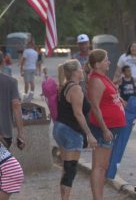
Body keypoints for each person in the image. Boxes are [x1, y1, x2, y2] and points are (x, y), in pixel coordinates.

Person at [53, 59, 97, 200]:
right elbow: (78, 113)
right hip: (71, 130)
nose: (83, 71)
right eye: (81, 69)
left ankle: (64, 198)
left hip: (60, 127)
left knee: (67, 168)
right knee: (70, 168)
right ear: (75, 72)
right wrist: (89, 134)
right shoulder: (76, 88)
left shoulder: (65, 85)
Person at [86, 49, 125, 200]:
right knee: (99, 166)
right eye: (106, 60)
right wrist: (104, 128)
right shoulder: (96, 80)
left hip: (112, 127)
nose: (109, 62)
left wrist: (119, 100)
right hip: (104, 128)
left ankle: (99, 196)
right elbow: (94, 106)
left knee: (103, 165)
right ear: (97, 64)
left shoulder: (103, 77)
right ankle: (98, 197)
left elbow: (107, 96)